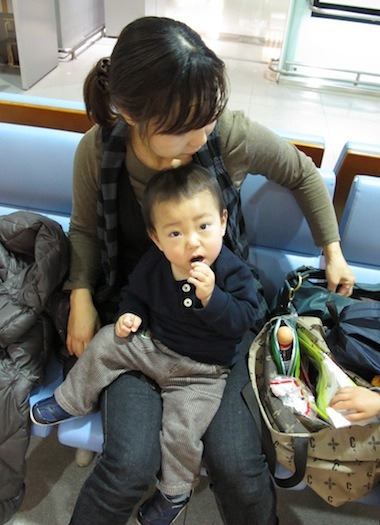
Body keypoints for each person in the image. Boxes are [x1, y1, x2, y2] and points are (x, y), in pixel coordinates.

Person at [61, 15, 355, 525]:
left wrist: (332, 249)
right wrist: (81, 297)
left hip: (222, 325)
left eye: (207, 117)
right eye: (182, 126)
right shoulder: (99, 150)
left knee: (239, 467)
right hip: (140, 323)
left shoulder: (226, 137)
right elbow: (84, 229)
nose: (201, 134)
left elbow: (303, 173)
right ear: (131, 113)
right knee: (129, 464)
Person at [31, 165, 263, 523]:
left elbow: (244, 319)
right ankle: (71, 400)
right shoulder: (155, 263)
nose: (192, 242)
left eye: (203, 227)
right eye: (175, 232)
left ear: (223, 220)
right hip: (154, 348)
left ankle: (174, 493)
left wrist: (213, 298)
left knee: (182, 431)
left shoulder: (232, 271)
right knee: (109, 339)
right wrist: (130, 314)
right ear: (156, 238)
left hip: (202, 373)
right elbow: (135, 293)